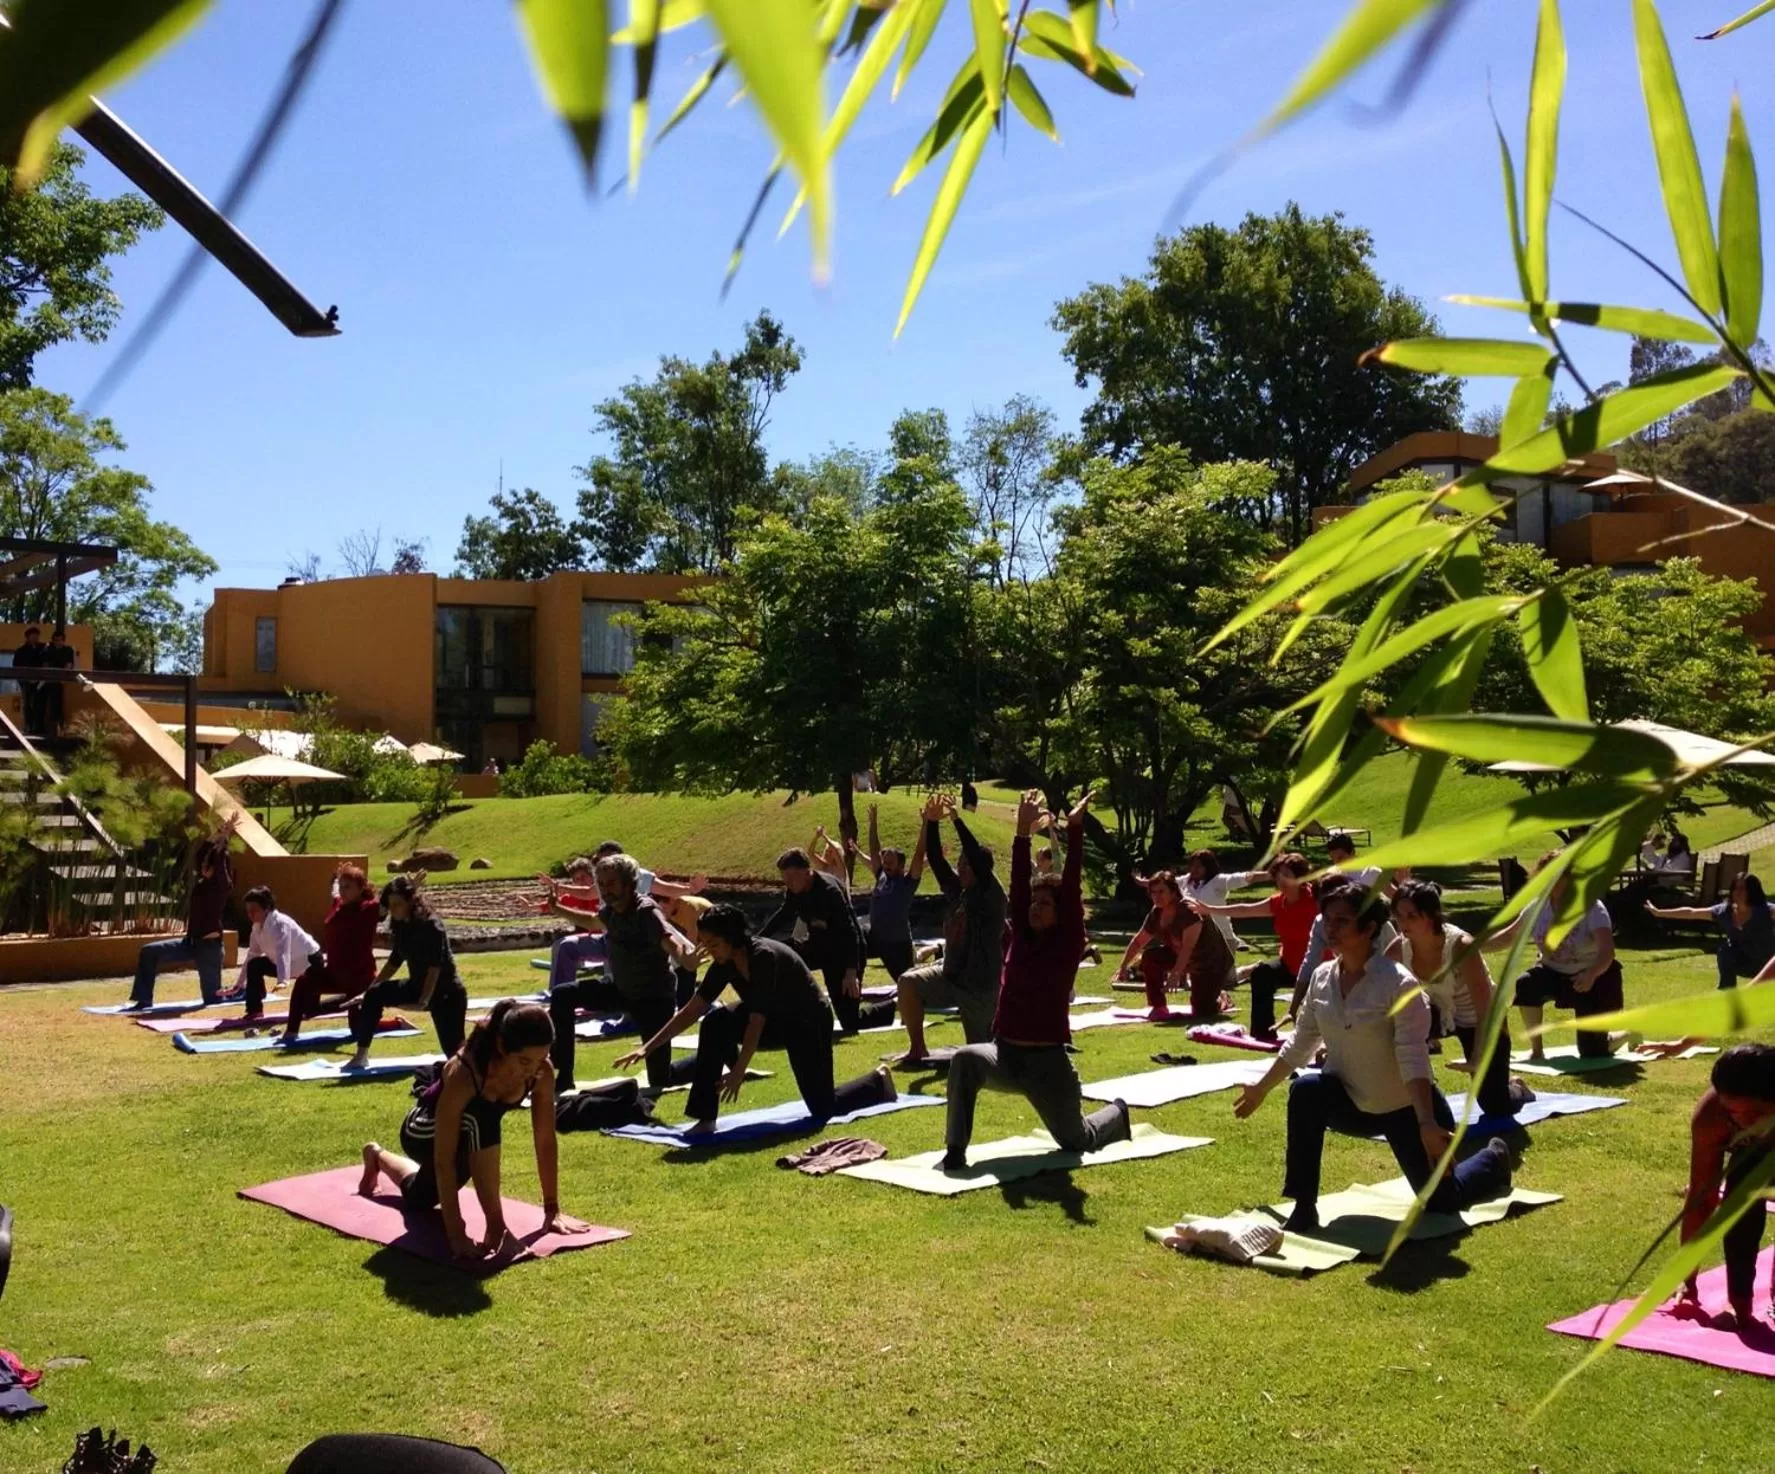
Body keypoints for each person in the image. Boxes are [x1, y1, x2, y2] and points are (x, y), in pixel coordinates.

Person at [1232, 883, 1514, 1233]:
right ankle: (1304, 1206)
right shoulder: (1322, 979)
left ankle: (1493, 1158)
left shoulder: (1399, 984)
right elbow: (1300, 1043)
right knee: (1306, 1090)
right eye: (1327, 920)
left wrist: (1426, 1123)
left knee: (1443, 1201)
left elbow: (1413, 1057)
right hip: (1351, 1103)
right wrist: (1261, 1088)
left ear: (1368, 930)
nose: (1330, 929)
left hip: (1406, 1110)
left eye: (1342, 921)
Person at [942, 791, 1131, 1171]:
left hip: (1047, 1063)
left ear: (1061, 914)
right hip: (1005, 1055)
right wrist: (1022, 831)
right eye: (1033, 902)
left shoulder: (1066, 943)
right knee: (964, 1059)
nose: (1035, 907)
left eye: (1045, 904)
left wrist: (1075, 831)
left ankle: (1118, 1114)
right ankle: (955, 1151)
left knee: (1077, 1140)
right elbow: (1017, 884)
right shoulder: (1019, 937)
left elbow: (1073, 887)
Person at [615, 904, 896, 1135]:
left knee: (822, 1108)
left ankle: (877, 1082)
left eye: (713, 943)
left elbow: (757, 1021)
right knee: (714, 1023)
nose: (708, 950)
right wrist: (648, 1047)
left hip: (807, 1022)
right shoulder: (723, 963)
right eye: (705, 943)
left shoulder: (764, 957)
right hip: (773, 1018)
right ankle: (705, 1117)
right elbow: (692, 1009)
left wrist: (739, 1069)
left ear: (732, 938)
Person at [359, 1000, 586, 1262]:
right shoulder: (466, 1071)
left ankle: (376, 1156)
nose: (532, 1070)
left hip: (469, 1140)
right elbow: (443, 1160)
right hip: (421, 1130)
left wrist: (551, 1209)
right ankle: (497, 1228)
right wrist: (456, 1234)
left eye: (540, 1059)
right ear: (502, 1047)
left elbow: (545, 1139)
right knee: (481, 1116)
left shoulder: (541, 1072)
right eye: (524, 1061)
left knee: (419, 1199)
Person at [548, 852, 698, 1094]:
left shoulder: (647, 912)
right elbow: (593, 922)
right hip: (620, 990)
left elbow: (670, 942)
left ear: (629, 884)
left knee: (661, 1079)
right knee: (563, 995)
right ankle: (564, 1075)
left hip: (653, 1000)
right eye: (602, 885)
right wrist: (559, 909)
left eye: (611, 884)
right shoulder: (612, 910)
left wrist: (686, 959)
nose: (606, 891)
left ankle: (712, 1053)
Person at [1387, 879, 1525, 1118]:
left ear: (1430, 916)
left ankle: (1518, 1088)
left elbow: (1485, 1009)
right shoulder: (1398, 948)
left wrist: (1477, 1057)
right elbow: (1379, 995)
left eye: (1411, 916)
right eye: (1398, 915)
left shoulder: (1461, 946)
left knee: (1496, 1105)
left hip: (1480, 1020)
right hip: (1435, 1014)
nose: (1402, 923)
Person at [891, 794, 1007, 1065]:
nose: (961, 867)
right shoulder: (958, 891)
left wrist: (956, 819)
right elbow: (936, 858)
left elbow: (977, 857)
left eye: (967, 864)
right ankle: (917, 1048)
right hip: (950, 975)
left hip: (979, 986)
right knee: (908, 983)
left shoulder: (991, 895)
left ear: (981, 869)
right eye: (960, 863)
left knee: (982, 1057)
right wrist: (931, 823)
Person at [1671, 1043, 1775, 1332]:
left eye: (1755, 1113)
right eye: (1734, 1113)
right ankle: (1739, 1302)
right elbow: (1702, 1199)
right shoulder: (1713, 1117)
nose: (1743, 1122)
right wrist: (1687, 1278)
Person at [1486, 852, 1626, 1062]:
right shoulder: (1537, 907)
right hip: (1552, 973)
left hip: (1594, 977)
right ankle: (1536, 1050)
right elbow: (1509, 936)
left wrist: (1590, 975)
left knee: (1592, 1052)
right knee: (1526, 985)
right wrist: (1471, 948)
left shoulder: (1591, 907)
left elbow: (1607, 952)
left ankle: (1625, 1034)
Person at [762, 847, 894, 1036]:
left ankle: (897, 1006)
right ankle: (787, 1009)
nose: (788, 884)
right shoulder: (795, 891)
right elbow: (785, 914)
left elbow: (850, 932)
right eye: (785, 879)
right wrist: (759, 937)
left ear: (806, 871)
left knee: (850, 1021)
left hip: (845, 953)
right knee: (782, 954)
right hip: (817, 947)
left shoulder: (829, 891)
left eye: (791, 878)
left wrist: (851, 973)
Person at [346, 876, 468, 1068]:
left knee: (455, 1054)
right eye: (390, 905)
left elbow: (434, 967)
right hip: (418, 986)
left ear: (411, 902)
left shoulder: (431, 925)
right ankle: (361, 1056)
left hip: (446, 993)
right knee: (374, 994)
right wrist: (367, 991)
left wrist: (424, 1001)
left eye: (398, 904)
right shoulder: (402, 926)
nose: (393, 910)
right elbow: (394, 962)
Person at [1196, 852, 1318, 1041]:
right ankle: (1263, 1034)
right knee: (1261, 973)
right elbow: (1245, 909)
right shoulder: (1279, 902)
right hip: (1290, 965)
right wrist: (1209, 909)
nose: (1281, 879)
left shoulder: (1316, 899)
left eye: (1287, 874)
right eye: (1278, 874)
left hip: (1317, 968)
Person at [127, 815, 238, 1009]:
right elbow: (200, 855)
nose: (203, 868)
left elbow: (221, 862)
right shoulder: (202, 883)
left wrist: (224, 841)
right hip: (189, 943)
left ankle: (240, 992)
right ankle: (143, 999)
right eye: (204, 865)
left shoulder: (222, 886)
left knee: (212, 1000)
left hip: (209, 949)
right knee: (149, 952)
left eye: (207, 866)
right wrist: (216, 834)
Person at [1114, 870, 1235, 1022]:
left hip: (1210, 963)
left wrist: (1176, 974)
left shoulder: (1188, 910)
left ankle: (1222, 999)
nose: (1156, 896)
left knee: (1202, 1011)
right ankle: (1158, 1006)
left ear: (1173, 891)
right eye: (1153, 892)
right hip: (1181, 956)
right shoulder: (1156, 913)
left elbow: (1188, 947)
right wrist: (1123, 966)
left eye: (1161, 891)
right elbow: (1139, 941)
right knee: (1150, 957)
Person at [279, 864, 381, 1044]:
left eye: (348, 887)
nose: (342, 891)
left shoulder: (369, 909)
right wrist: (337, 875)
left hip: (359, 978)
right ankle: (291, 1031)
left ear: (360, 888)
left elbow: (389, 905)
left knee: (357, 1032)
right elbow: (334, 888)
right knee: (304, 984)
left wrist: (410, 888)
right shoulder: (337, 904)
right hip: (334, 973)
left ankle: (372, 1008)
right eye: (341, 886)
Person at [1649, 873, 1775, 991]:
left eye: (1743, 889)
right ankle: (1728, 993)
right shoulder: (1724, 911)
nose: (1738, 892)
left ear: (1752, 892)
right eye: (1735, 888)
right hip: (1745, 963)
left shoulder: (1765, 911)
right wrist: (1659, 912)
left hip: (1768, 963)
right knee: (1725, 950)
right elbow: (1691, 913)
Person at [234, 885, 320, 1019]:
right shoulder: (256, 927)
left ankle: (346, 1001)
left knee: (311, 1011)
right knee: (254, 964)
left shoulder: (280, 923)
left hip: (310, 962)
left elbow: (283, 952)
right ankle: (254, 1010)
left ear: (267, 908)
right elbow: (252, 955)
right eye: (248, 911)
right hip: (287, 966)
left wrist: (282, 980)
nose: (250, 914)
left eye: (254, 910)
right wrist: (238, 985)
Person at [862, 801, 924, 982]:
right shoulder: (881, 875)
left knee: (908, 985)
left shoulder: (907, 882)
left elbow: (919, 854)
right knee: (851, 941)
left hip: (897, 944)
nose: (886, 865)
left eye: (890, 862)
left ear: (901, 865)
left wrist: (926, 824)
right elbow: (874, 850)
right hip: (874, 938)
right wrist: (873, 822)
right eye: (885, 861)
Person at [1180, 848, 1262, 953]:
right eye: (1192, 865)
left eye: (1198, 866)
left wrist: (1272, 875)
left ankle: (1237, 944)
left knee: (1223, 969)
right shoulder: (1184, 881)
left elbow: (1243, 878)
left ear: (1208, 867)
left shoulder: (1218, 881)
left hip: (1221, 939)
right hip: (1194, 939)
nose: (1194, 869)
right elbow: (1161, 883)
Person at [9, 624, 45, 736]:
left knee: (39, 704)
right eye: (33, 636)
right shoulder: (21, 650)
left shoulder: (43, 648)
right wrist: (24, 679)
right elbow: (16, 666)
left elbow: (46, 663)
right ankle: (28, 726)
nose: (35, 638)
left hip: (40, 681)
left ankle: (39, 727)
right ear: (28, 637)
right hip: (25, 681)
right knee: (27, 703)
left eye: (37, 636)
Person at [40, 627, 75, 737]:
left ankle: (60, 730)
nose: (58, 642)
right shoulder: (48, 650)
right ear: (53, 640)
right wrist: (49, 677)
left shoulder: (68, 650)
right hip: (49, 681)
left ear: (63, 640)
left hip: (62, 682)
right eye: (56, 640)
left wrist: (62, 678)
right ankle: (45, 730)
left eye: (60, 640)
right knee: (45, 705)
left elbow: (68, 665)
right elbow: (45, 665)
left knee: (60, 706)